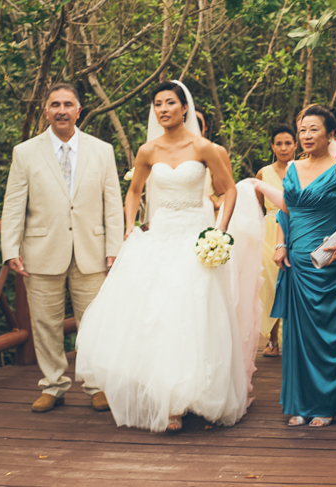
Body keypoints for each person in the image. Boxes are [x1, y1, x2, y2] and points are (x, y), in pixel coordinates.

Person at [75, 80, 262, 433]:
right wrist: (130, 226)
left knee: (194, 314)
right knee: (159, 315)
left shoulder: (205, 147)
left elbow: (229, 190)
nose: (163, 109)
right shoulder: (149, 150)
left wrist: (219, 232)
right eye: (158, 104)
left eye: (170, 103)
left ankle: (197, 396)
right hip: (160, 235)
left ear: (184, 108)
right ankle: (169, 402)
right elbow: (133, 192)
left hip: (195, 236)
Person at [0, 83, 124, 413]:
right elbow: (14, 204)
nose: (61, 110)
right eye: (55, 104)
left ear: (79, 111)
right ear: (46, 111)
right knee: (45, 323)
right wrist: (9, 247)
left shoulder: (102, 150)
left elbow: (113, 204)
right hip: (41, 250)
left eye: (68, 104)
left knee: (96, 322)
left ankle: (97, 385)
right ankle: (53, 385)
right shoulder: (25, 152)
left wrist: (114, 246)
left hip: (92, 250)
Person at [272, 104, 336, 428]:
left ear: (330, 134)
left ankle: (326, 404)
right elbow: (284, 213)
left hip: (329, 265)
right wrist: (280, 243)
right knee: (298, 336)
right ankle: (300, 403)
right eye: (302, 130)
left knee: (327, 335)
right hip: (297, 265)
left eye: (314, 129)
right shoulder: (292, 169)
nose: (306, 136)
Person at [254, 124, 297, 357]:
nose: (283, 148)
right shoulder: (263, 173)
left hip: (295, 229)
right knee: (271, 284)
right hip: (269, 229)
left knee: (292, 282)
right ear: (272, 146)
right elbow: (257, 208)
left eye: (287, 143)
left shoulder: (301, 170)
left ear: (295, 145)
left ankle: (290, 339)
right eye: (278, 143)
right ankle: (272, 340)